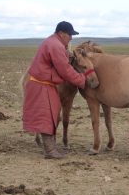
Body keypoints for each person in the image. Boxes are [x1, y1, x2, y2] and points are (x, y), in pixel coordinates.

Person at [22, 21, 86, 159]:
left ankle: (51, 148)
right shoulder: (55, 45)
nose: (71, 38)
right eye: (70, 35)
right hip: (41, 85)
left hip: (45, 83)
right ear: (61, 34)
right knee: (47, 116)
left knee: (51, 115)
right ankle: (50, 151)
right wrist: (82, 80)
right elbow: (65, 70)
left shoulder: (54, 43)